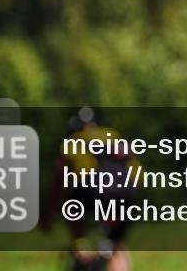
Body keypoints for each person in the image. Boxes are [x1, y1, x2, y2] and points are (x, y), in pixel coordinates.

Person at [42, 107, 137, 271]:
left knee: (72, 207)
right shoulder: (112, 135)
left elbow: (56, 185)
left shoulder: (72, 141)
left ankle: (83, 250)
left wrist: (48, 216)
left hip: (93, 190)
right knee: (116, 245)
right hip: (126, 192)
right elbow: (136, 172)